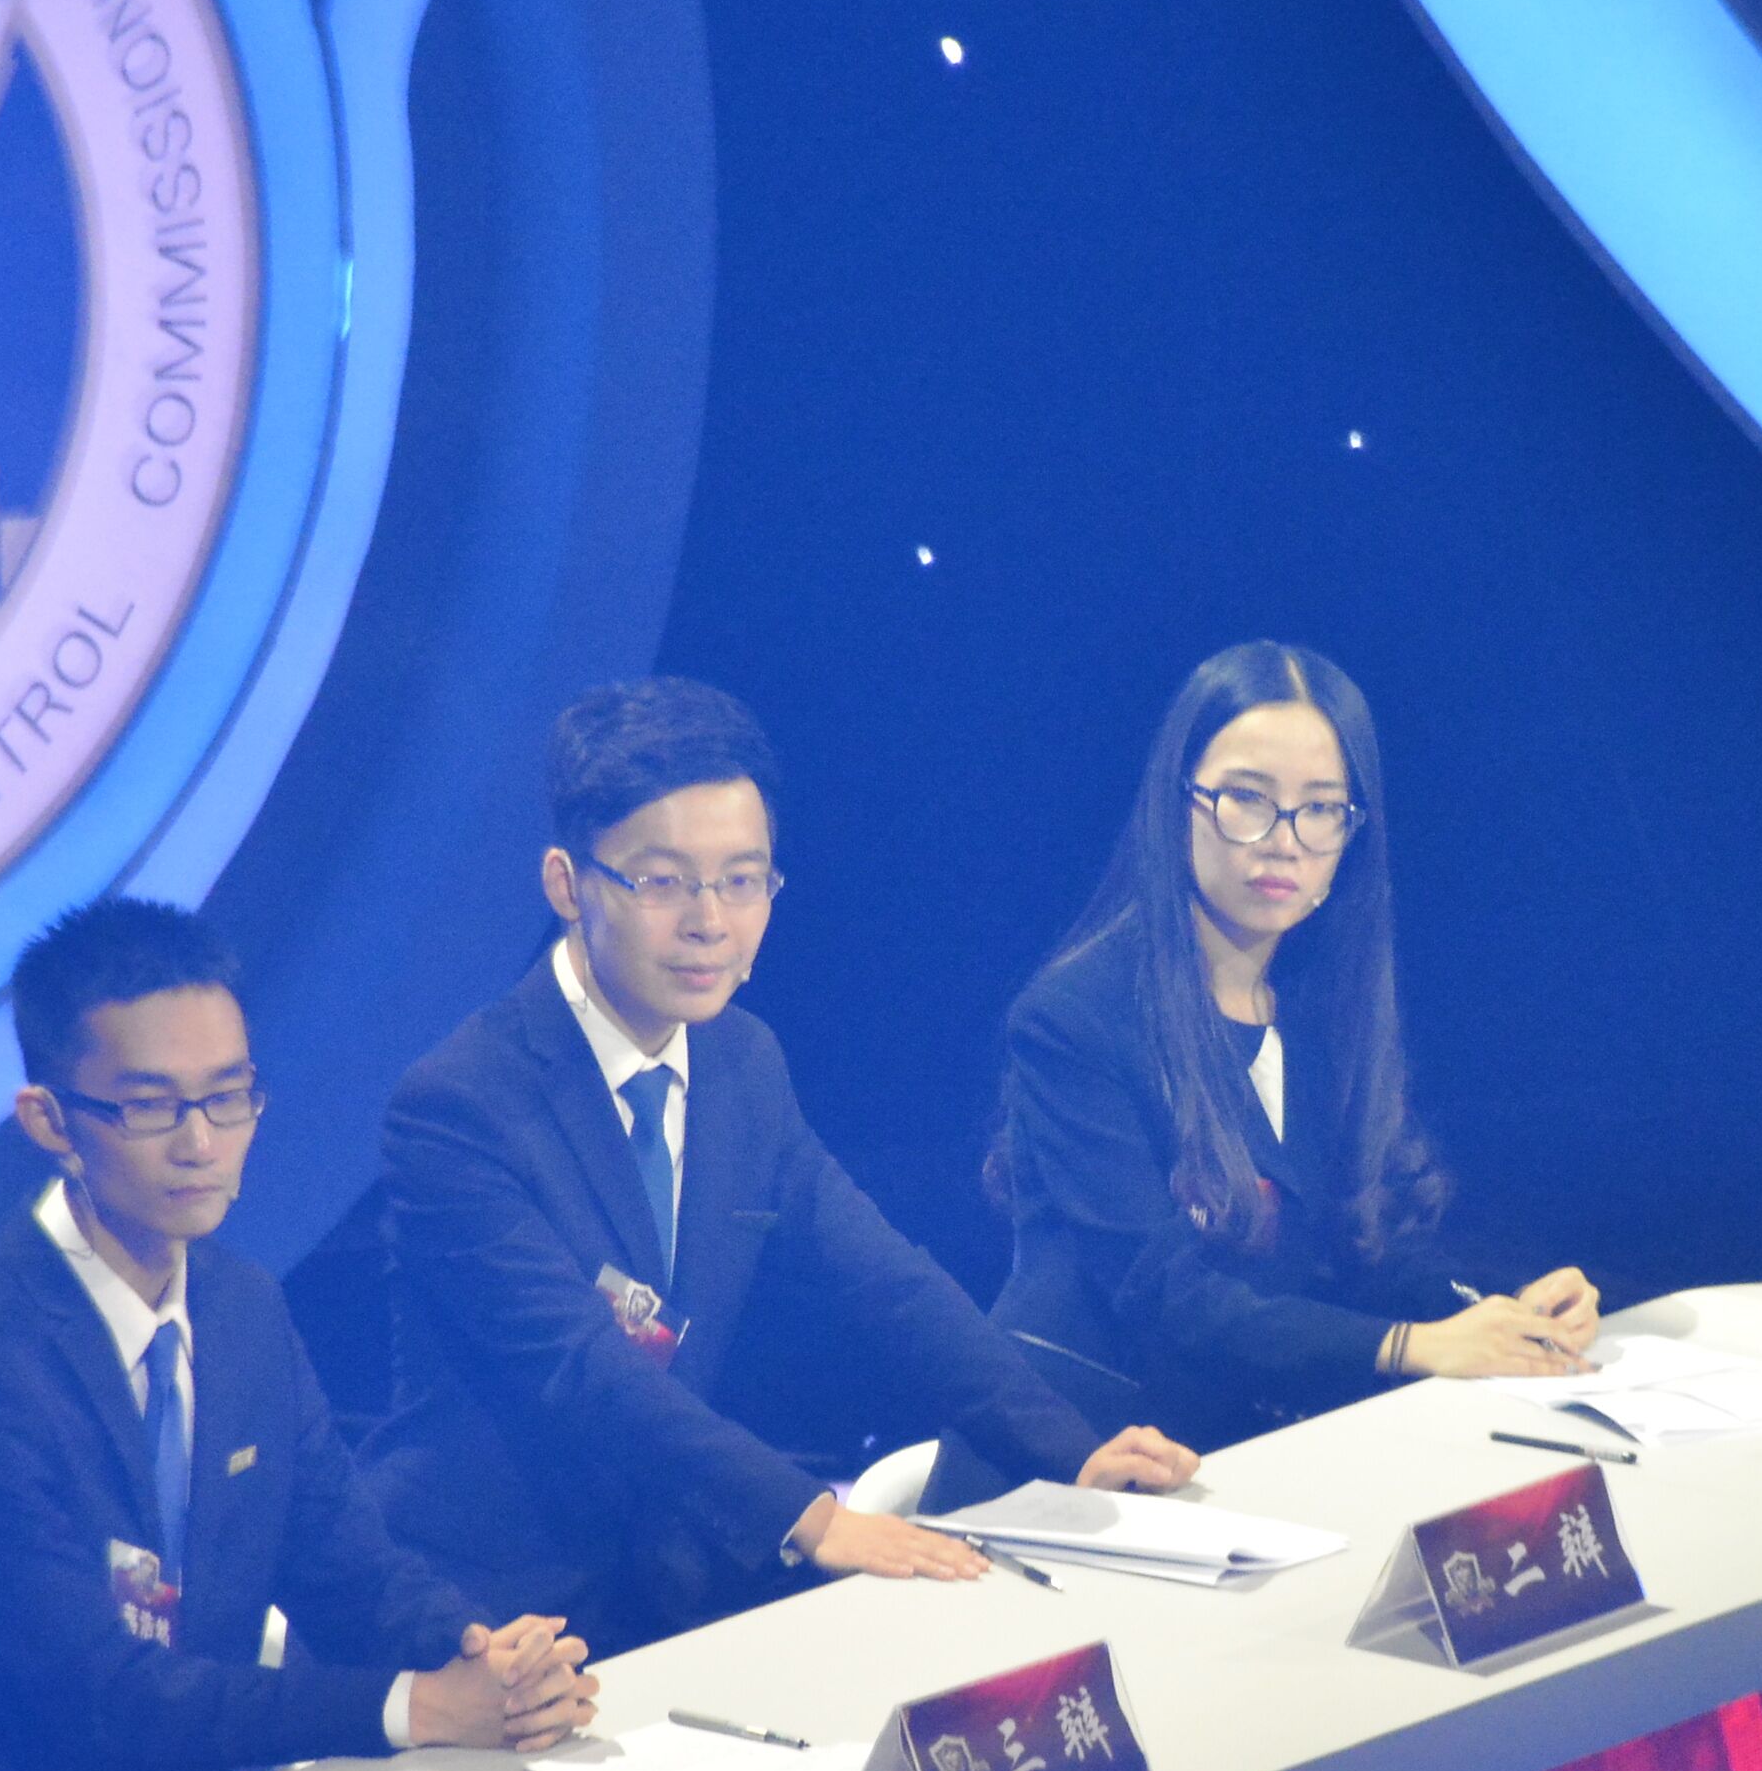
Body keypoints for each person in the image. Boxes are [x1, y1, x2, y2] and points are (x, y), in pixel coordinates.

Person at [0, 901, 593, 1771]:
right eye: (150, 1107)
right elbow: (103, 1700)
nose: (200, 1143)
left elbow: (351, 1573)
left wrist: (486, 1659)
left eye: (227, 1098)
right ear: (50, 1121)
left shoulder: (241, 1312)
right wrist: (416, 1707)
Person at [374, 677, 1195, 1649]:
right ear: (566, 884)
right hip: (486, 1611)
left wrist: (1069, 1452)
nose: (710, 921)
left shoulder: (741, 1061)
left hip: (670, 1584)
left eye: (742, 879)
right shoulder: (460, 1106)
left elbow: (884, 1282)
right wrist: (813, 1520)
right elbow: (584, 1370)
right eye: (663, 881)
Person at [988, 641, 1598, 1453]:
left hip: (1260, 1452)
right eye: (1247, 798)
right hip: (1087, 1461)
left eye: (1320, 809)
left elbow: (1367, 1247)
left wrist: (1502, 1313)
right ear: (1177, 803)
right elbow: (1167, 1298)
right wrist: (1412, 1346)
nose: (1284, 841)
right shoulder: (1075, 1017)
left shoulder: (1323, 1005)